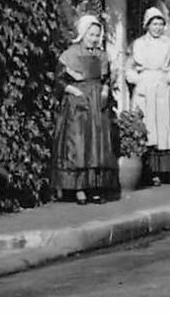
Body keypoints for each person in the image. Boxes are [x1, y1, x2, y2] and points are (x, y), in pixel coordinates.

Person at [52, 14, 119, 205]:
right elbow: (59, 80)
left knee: (96, 146)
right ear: (83, 34)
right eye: (91, 35)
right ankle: (78, 188)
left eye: (97, 35)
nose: (95, 39)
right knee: (79, 145)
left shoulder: (102, 55)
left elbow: (106, 79)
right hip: (78, 105)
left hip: (98, 103)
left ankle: (94, 187)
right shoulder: (70, 54)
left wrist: (105, 90)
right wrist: (75, 92)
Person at [126, 6, 170, 185]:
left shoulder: (169, 44)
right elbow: (129, 66)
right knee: (146, 125)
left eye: (160, 24)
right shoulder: (139, 44)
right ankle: (145, 171)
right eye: (153, 24)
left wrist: (169, 78)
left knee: (162, 125)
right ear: (147, 25)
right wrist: (136, 79)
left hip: (161, 86)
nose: (157, 27)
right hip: (144, 86)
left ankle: (161, 171)